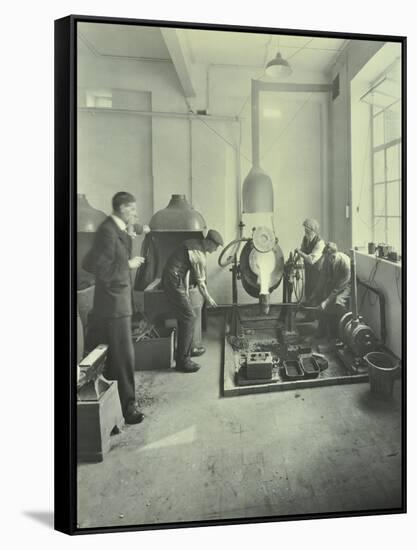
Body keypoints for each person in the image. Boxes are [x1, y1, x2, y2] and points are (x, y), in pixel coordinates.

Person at [83, 192, 148, 424]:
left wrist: (125, 242)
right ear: (122, 208)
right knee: (123, 358)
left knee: (110, 358)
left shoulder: (115, 231)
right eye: (132, 209)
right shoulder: (108, 231)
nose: (135, 213)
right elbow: (102, 270)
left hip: (113, 304)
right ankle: (128, 409)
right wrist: (127, 264)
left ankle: (110, 407)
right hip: (113, 307)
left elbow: (88, 261)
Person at [162, 229, 224, 373]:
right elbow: (201, 283)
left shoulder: (193, 243)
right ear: (209, 242)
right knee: (189, 317)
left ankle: (187, 351)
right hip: (172, 280)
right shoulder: (199, 254)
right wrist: (209, 299)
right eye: (215, 247)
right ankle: (183, 362)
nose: (215, 250)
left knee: (184, 317)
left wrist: (186, 291)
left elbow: (185, 269)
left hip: (173, 277)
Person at [308, 242, 351, 338]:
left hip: (346, 285)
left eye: (327, 258)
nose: (325, 260)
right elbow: (322, 278)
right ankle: (322, 331)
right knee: (321, 298)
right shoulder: (327, 259)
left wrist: (327, 301)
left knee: (338, 302)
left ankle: (337, 335)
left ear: (332, 256)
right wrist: (315, 293)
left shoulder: (345, 262)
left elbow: (340, 287)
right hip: (335, 283)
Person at [294, 218, 325, 303]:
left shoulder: (320, 243)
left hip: (317, 271)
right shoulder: (306, 238)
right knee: (308, 291)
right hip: (308, 270)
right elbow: (302, 250)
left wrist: (299, 253)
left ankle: (315, 314)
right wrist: (295, 260)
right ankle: (309, 314)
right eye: (305, 231)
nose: (305, 233)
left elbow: (311, 260)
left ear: (313, 231)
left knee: (315, 293)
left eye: (307, 231)